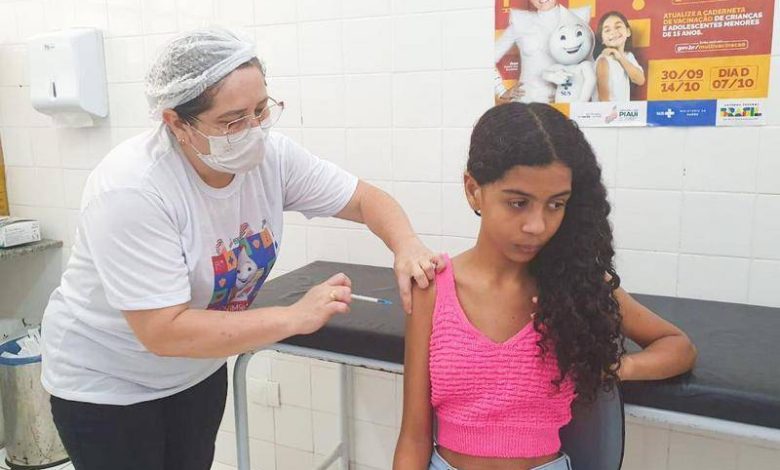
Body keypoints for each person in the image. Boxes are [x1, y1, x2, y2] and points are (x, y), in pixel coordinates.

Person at [41, 28, 442, 470]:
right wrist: (294, 317)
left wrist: (406, 244)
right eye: (232, 121)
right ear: (176, 123)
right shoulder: (133, 189)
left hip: (194, 371)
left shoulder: (272, 157)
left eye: (261, 109)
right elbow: (162, 331)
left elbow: (365, 200)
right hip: (108, 385)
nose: (254, 130)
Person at [394, 103, 697, 470]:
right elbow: (414, 436)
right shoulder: (432, 289)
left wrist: (614, 367)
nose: (537, 225)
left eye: (556, 205)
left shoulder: (578, 289)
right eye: (518, 203)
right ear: (473, 190)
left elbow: (677, 347)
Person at [494, 0, 590, 104]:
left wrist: (569, 93)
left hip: (563, 102)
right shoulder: (521, 22)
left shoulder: (576, 19)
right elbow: (488, 59)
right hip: (526, 101)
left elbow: (588, 66)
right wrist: (501, 91)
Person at [593, 11, 645, 102]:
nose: (613, 32)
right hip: (608, 110)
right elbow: (603, 99)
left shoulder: (628, 56)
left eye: (618, 27)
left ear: (628, 32)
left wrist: (620, 57)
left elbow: (640, 80)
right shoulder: (603, 60)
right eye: (607, 30)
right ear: (602, 39)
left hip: (622, 109)